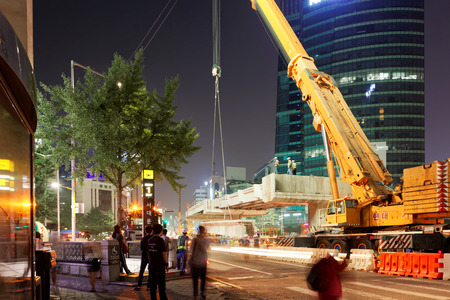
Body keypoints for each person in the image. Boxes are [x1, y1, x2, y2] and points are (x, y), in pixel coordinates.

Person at [147, 224, 169, 300]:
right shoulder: (160, 240)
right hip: (159, 266)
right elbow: (164, 253)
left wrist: (150, 262)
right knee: (161, 285)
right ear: (161, 231)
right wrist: (166, 264)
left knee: (153, 285)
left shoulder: (149, 240)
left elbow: (148, 254)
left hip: (152, 265)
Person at [189, 226, 210, 300]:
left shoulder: (194, 240)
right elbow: (206, 249)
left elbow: (190, 251)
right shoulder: (206, 240)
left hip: (195, 262)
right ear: (204, 231)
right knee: (203, 279)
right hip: (202, 263)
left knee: (195, 280)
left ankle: (195, 295)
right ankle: (202, 293)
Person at [135, 225, 153, 291]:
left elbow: (141, 248)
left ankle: (139, 285)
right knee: (150, 271)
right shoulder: (152, 238)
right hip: (151, 256)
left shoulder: (143, 239)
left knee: (141, 271)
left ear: (145, 231)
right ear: (152, 231)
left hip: (144, 256)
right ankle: (148, 286)